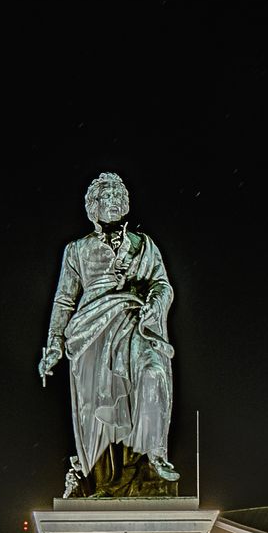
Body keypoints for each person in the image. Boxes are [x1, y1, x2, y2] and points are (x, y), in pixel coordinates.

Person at [39, 173, 178, 490]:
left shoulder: (144, 245)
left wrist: (155, 302)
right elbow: (64, 299)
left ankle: (152, 456)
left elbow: (162, 284)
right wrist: (53, 347)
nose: (114, 200)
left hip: (136, 322)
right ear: (93, 207)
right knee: (97, 411)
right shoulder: (77, 250)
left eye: (119, 195)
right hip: (91, 332)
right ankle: (104, 473)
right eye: (106, 196)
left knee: (153, 374)